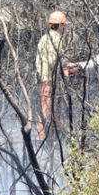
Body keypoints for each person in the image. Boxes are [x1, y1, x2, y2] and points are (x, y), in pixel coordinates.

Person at [35, 10, 81, 140]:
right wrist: (65, 68)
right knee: (48, 109)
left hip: (46, 77)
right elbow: (53, 60)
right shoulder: (55, 39)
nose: (65, 27)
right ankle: (45, 137)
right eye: (64, 25)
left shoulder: (45, 37)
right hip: (49, 79)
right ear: (59, 25)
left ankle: (52, 135)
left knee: (52, 108)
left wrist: (67, 65)